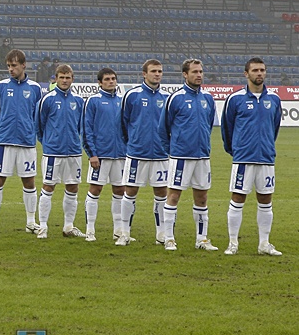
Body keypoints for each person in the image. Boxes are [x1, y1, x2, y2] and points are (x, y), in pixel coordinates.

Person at [222, 58, 282, 256]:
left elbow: (274, 128)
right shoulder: (235, 99)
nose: (259, 73)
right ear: (246, 74)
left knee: (265, 200)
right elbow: (227, 129)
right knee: (238, 198)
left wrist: (267, 146)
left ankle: (264, 243)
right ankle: (232, 243)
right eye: (255, 70)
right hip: (243, 159)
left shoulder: (274, 99)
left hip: (266, 159)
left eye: (262, 70)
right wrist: (236, 150)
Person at [159, 59, 218, 252]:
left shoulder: (208, 98)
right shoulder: (175, 98)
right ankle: (169, 238)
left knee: (202, 198)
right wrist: (174, 150)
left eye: (200, 71)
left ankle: (202, 239)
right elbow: (163, 128)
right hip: (181, 157)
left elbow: (209, 125)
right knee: (173, 196)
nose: (199, 75)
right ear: (185, 74)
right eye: (194, 72)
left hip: (202, 157)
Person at [0, 49, 43, 235]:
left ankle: (31, 222)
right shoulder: (1, 87)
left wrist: (31, 131)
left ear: (23, 65)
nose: (11, 69)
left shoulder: (35, 88)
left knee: (29, 182)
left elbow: (38, 115)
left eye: (14, 65)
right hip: (5, 142)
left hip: (27, 143)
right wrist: (0, 132)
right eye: (8, 66)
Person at [119, 59, 169, 246]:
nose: (157, 74)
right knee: (130, 191)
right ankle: (124, 233)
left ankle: (161, 234)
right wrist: (133, 142)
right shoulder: (132, 96)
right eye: (153, 71)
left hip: (161, 155)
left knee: (161, 193)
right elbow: (123, 123)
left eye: (160, 71)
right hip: (137, 154)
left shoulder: (167, 97)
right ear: (144, 74)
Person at [35, 64, 86, 239]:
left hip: (73, 152)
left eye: (68, 77)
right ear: (56, 78)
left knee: (73, 187)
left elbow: (81, 126)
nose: (64, 81)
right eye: (61, 77)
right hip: (53, 153)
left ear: (72, 79)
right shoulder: (47, 99)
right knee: (48, 186)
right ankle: (42, 226)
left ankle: (68, 226)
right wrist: (48, 143)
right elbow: (39, 125)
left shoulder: (78, 100)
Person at [82, 67, 126, 242]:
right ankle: (90, 230)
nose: (111, 82)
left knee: (120, 191)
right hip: (100, 155)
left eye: (113, 79)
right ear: (99, 83)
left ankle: (118, 231)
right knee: (95, 190)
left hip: (120, 155)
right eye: (107, 79)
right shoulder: (93, 101)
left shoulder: (122, 101)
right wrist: (92, 154)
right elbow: (86, 129)